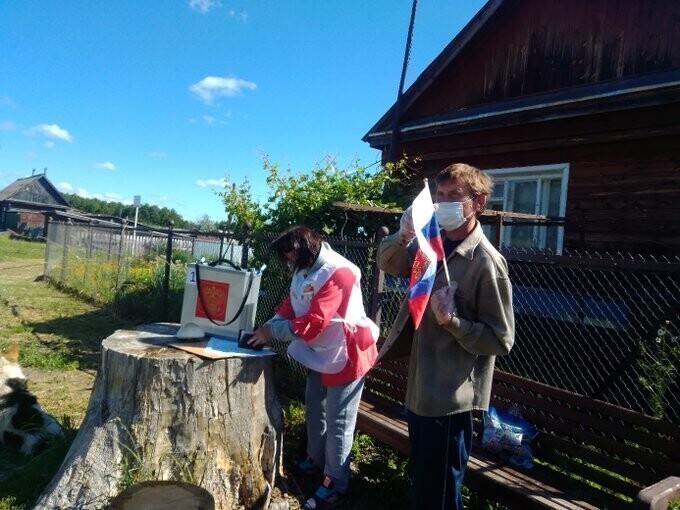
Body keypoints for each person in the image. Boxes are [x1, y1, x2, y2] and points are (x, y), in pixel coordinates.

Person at [376, 163, 515, 510]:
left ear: (478, 203)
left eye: (455, 196)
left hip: (451, 399)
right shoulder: (428, 244)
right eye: (440, 195)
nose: (444, 202)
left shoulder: (486, 262)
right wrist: (403, 234)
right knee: (423, 484)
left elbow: (501, 339)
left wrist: (453, 321)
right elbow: (387, 263)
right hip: (421, 390)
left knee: (438, 495)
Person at [249, 225, 379, 510]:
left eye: (289, 255)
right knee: (314, 405)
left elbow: (314, 322)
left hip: (347, 353)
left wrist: (273, 333)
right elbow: (293, 304)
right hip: (323, 351)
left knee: (338, 423)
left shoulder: (339, 272)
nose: (287, 262)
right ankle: (314, 460)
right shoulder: (304, 266)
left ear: (304, 248)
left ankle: (335, 483)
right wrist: (268, 326)